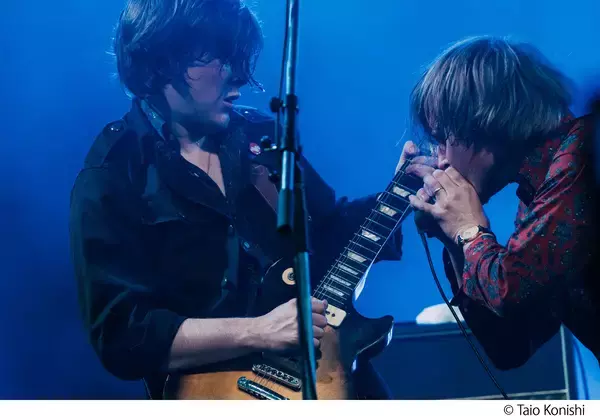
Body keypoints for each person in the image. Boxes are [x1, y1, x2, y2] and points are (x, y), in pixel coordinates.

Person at [69, 0, 405, 399]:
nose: (239, 75)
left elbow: (331, 232)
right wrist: (258, 331)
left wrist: (401, 190)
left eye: (239, 57)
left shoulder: (264, 139)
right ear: (162, 59)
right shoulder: (112, 175)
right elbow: (121, 335)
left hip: (325, 378)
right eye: (221, 58)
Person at [405, 36, 600, 369]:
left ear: (483, 124)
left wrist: (468, 232)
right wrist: (453, 241)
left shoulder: (580, 155)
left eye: (442, 139)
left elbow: (511, 290)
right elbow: (511, 347)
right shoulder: (536, 191)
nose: (440, 159)